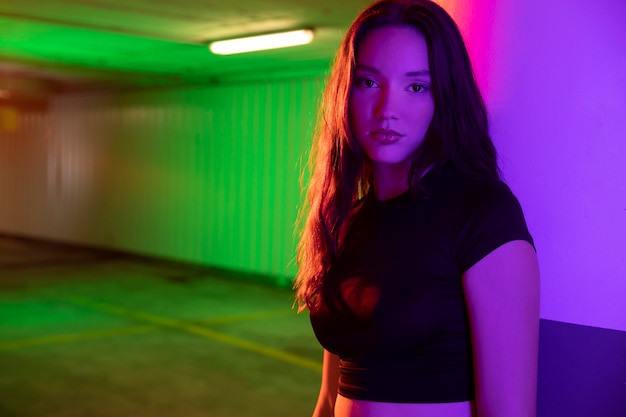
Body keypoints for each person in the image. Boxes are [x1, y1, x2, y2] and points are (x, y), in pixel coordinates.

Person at [293, 0, 540, 416]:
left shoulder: (482, 213)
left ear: (445, 99)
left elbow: (509, 412)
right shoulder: (348, 221)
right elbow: (328, 399)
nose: (387, 109)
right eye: (369, 83)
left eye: (416, 87)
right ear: (345, 94)